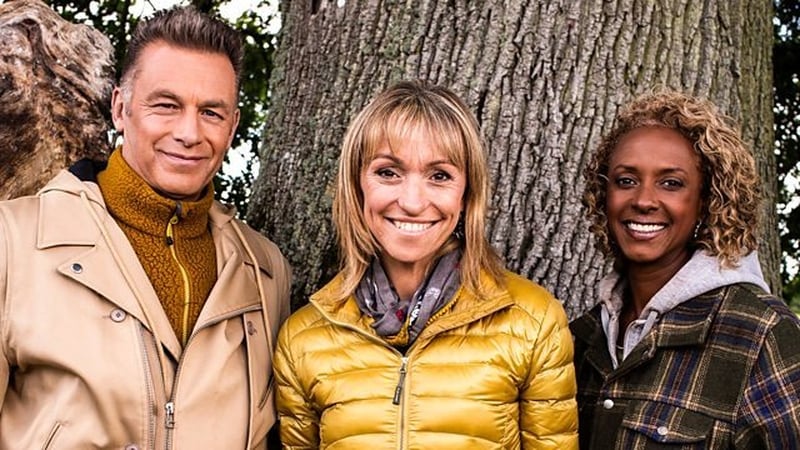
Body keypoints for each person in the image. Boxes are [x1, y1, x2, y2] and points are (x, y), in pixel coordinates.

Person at [0, 6, 291, 449]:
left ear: (232, 127)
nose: (190, 133)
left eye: (211, 113)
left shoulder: (265, 270)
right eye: (166, 105)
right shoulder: (12, 241)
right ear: (121, 108)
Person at [273, 80, 578, 449]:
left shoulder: (534, 320)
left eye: (440, 176)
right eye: (388, 172)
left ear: (467, 195)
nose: (413, 202)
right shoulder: (302, 339)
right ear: (357, 186)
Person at [572, 90, 800, 448]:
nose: (644, 200)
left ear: (708, 201)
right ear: (604, 196)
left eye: (671, 183)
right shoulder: (581, 339)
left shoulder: (762, 335)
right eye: (626, 180)